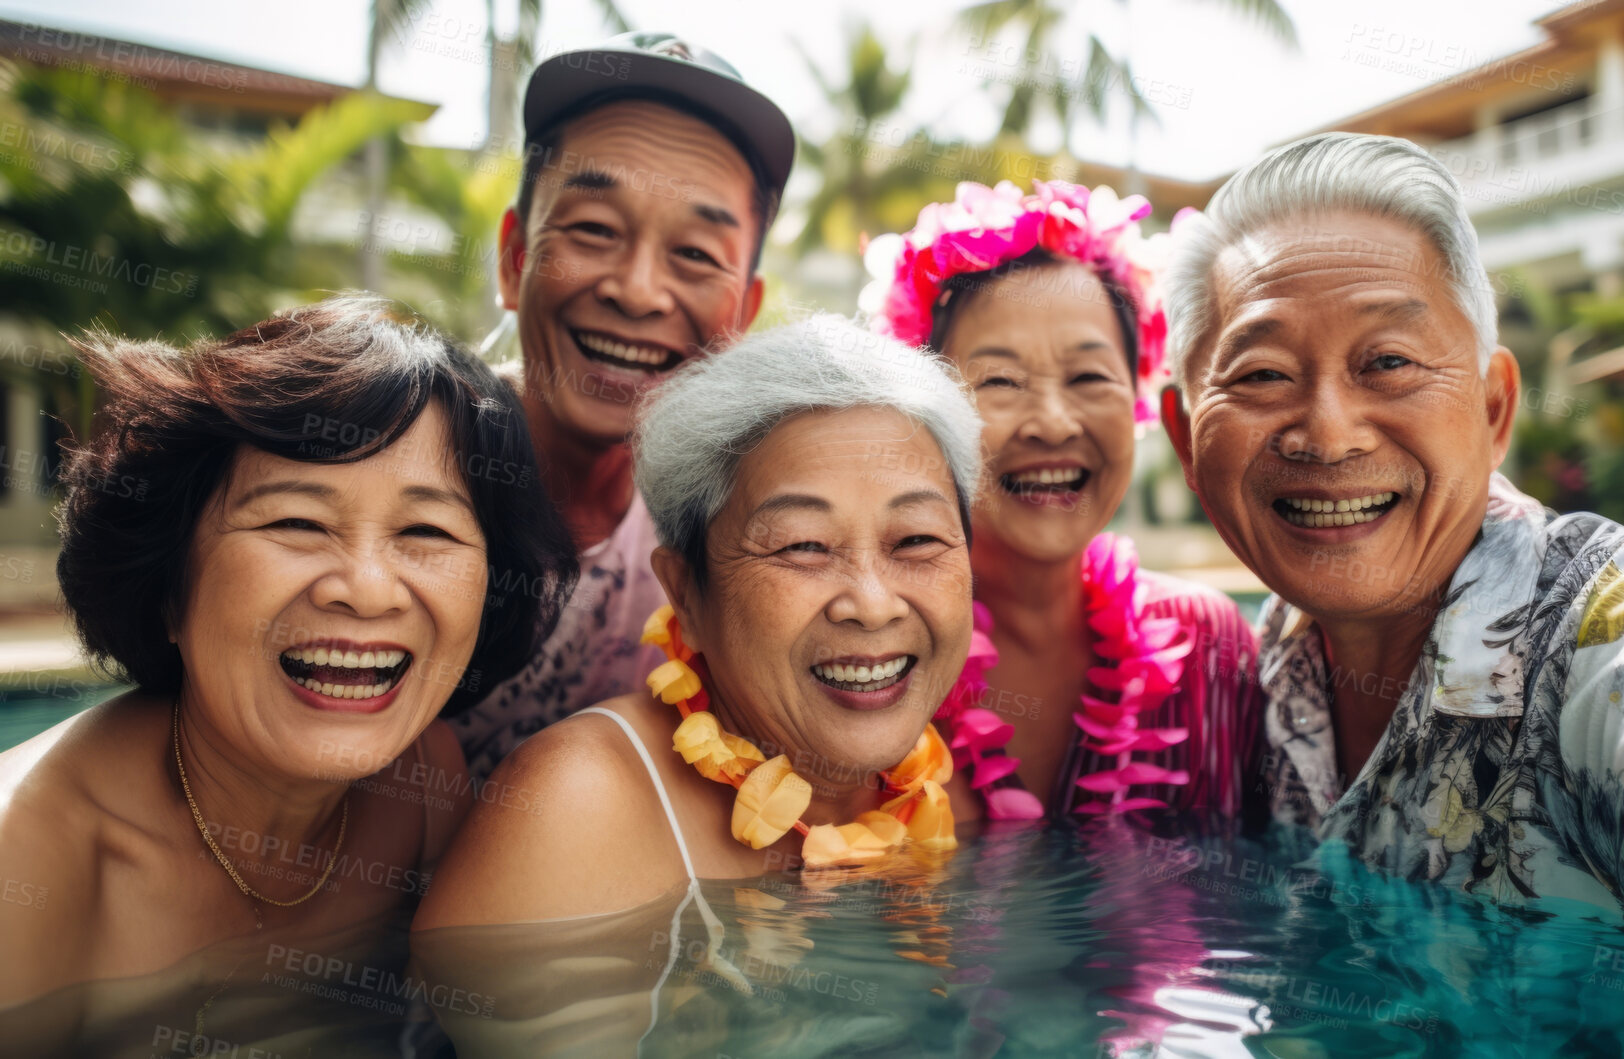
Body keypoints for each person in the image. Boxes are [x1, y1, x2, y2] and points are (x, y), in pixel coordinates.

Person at [1158, 131, 1624, 1054]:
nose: (1328, 433)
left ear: (1494, 408)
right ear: (1185, 440)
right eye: (1261, 373)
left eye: (1386, 361)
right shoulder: (1263, 658)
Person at [0, 296, 575, 1052]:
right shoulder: (30, 863)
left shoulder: (420, 792)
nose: (366, 588)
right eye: (296, 522)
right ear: (170, 581)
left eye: (426, 530)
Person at [410, 315, 982, 1050]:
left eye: (917, 541)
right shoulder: (576, 810)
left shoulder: (945, 788)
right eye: (803, 546)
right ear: (686, 592)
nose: (871, 603)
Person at [450, 31, 796, 780]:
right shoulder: (393, 476)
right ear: (515, 259)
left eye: (697, 254)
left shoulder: (722, 548)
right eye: (594, 230)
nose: (637, 291)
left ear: (742, 313)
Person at [861, 180, 1261, 820]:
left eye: (1087, 377)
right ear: (926, 413)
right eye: (999, 380)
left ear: (1136, 399)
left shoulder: (1208, 649)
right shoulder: (864, 652)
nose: (1051, 422)